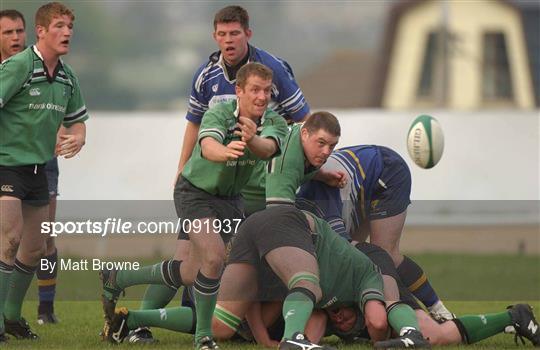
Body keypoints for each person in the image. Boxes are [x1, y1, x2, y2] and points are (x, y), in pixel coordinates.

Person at [129, 6, 311, 342]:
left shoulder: (273, 70)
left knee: (212, 263)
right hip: (205, 187)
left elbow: (302, 122)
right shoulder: (206, 75)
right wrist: (182, 167)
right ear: (215, 37)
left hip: (252, 187)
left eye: (235, 34)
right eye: (223, 34)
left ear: (248, 34)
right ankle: (159, 325)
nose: (229, 40)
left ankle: (218, 324)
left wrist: (309, 167)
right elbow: (196, 127)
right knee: (198, 260)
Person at [100, 62, 288, 350]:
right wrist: (225, 151)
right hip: (194, 193)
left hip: (230, 201)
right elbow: (208, 144)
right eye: (254, 90)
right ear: (239, 90)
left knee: (190, 271)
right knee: (213, 258)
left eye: (266, 90)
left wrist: (252, 140)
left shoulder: (274, 121)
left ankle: (119, 277)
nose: (262, 96)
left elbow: (269, 149)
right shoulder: (220, 112)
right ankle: (203, 337)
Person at [104, 206, 429, 350]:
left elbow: (262, 300)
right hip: (262, 219)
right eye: (347, 316)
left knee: (211, 308)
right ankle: (119, 280)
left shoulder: (317, 309)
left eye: (340, 323)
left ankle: (128, 315)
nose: (342, 318)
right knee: (192, 267)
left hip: (253, 225)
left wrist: (263, 337)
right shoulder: (355, 274)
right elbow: (376, 318)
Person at [0, 1, 88, 341]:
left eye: (69, 27)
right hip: (6, 165)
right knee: (8, 239)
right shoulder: (19, 67)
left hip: (39, 169)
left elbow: (77, 120)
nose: (66, 33)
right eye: (59, 27)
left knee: (35, 248)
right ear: (41, 31)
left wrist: (78, 139)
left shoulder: (67, 76)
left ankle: (11, 316)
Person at [296, 145, 454, 321]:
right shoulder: (301, 199)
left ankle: (432, 312)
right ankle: (392, 317)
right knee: (357, 265)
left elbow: (344, 250)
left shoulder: (318, 201)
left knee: (383, 256)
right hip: (358, 186)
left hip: (386, 171)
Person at [0, 8, 61, 327]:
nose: (15, 38)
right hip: (7, 163)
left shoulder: (45, 68)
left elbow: (61, 114)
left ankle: (43, 309)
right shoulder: (12, 71)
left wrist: (70, 134)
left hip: (42, 163)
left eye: (18, 31)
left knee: (41, 240)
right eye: (7, 32)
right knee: (7, 238)